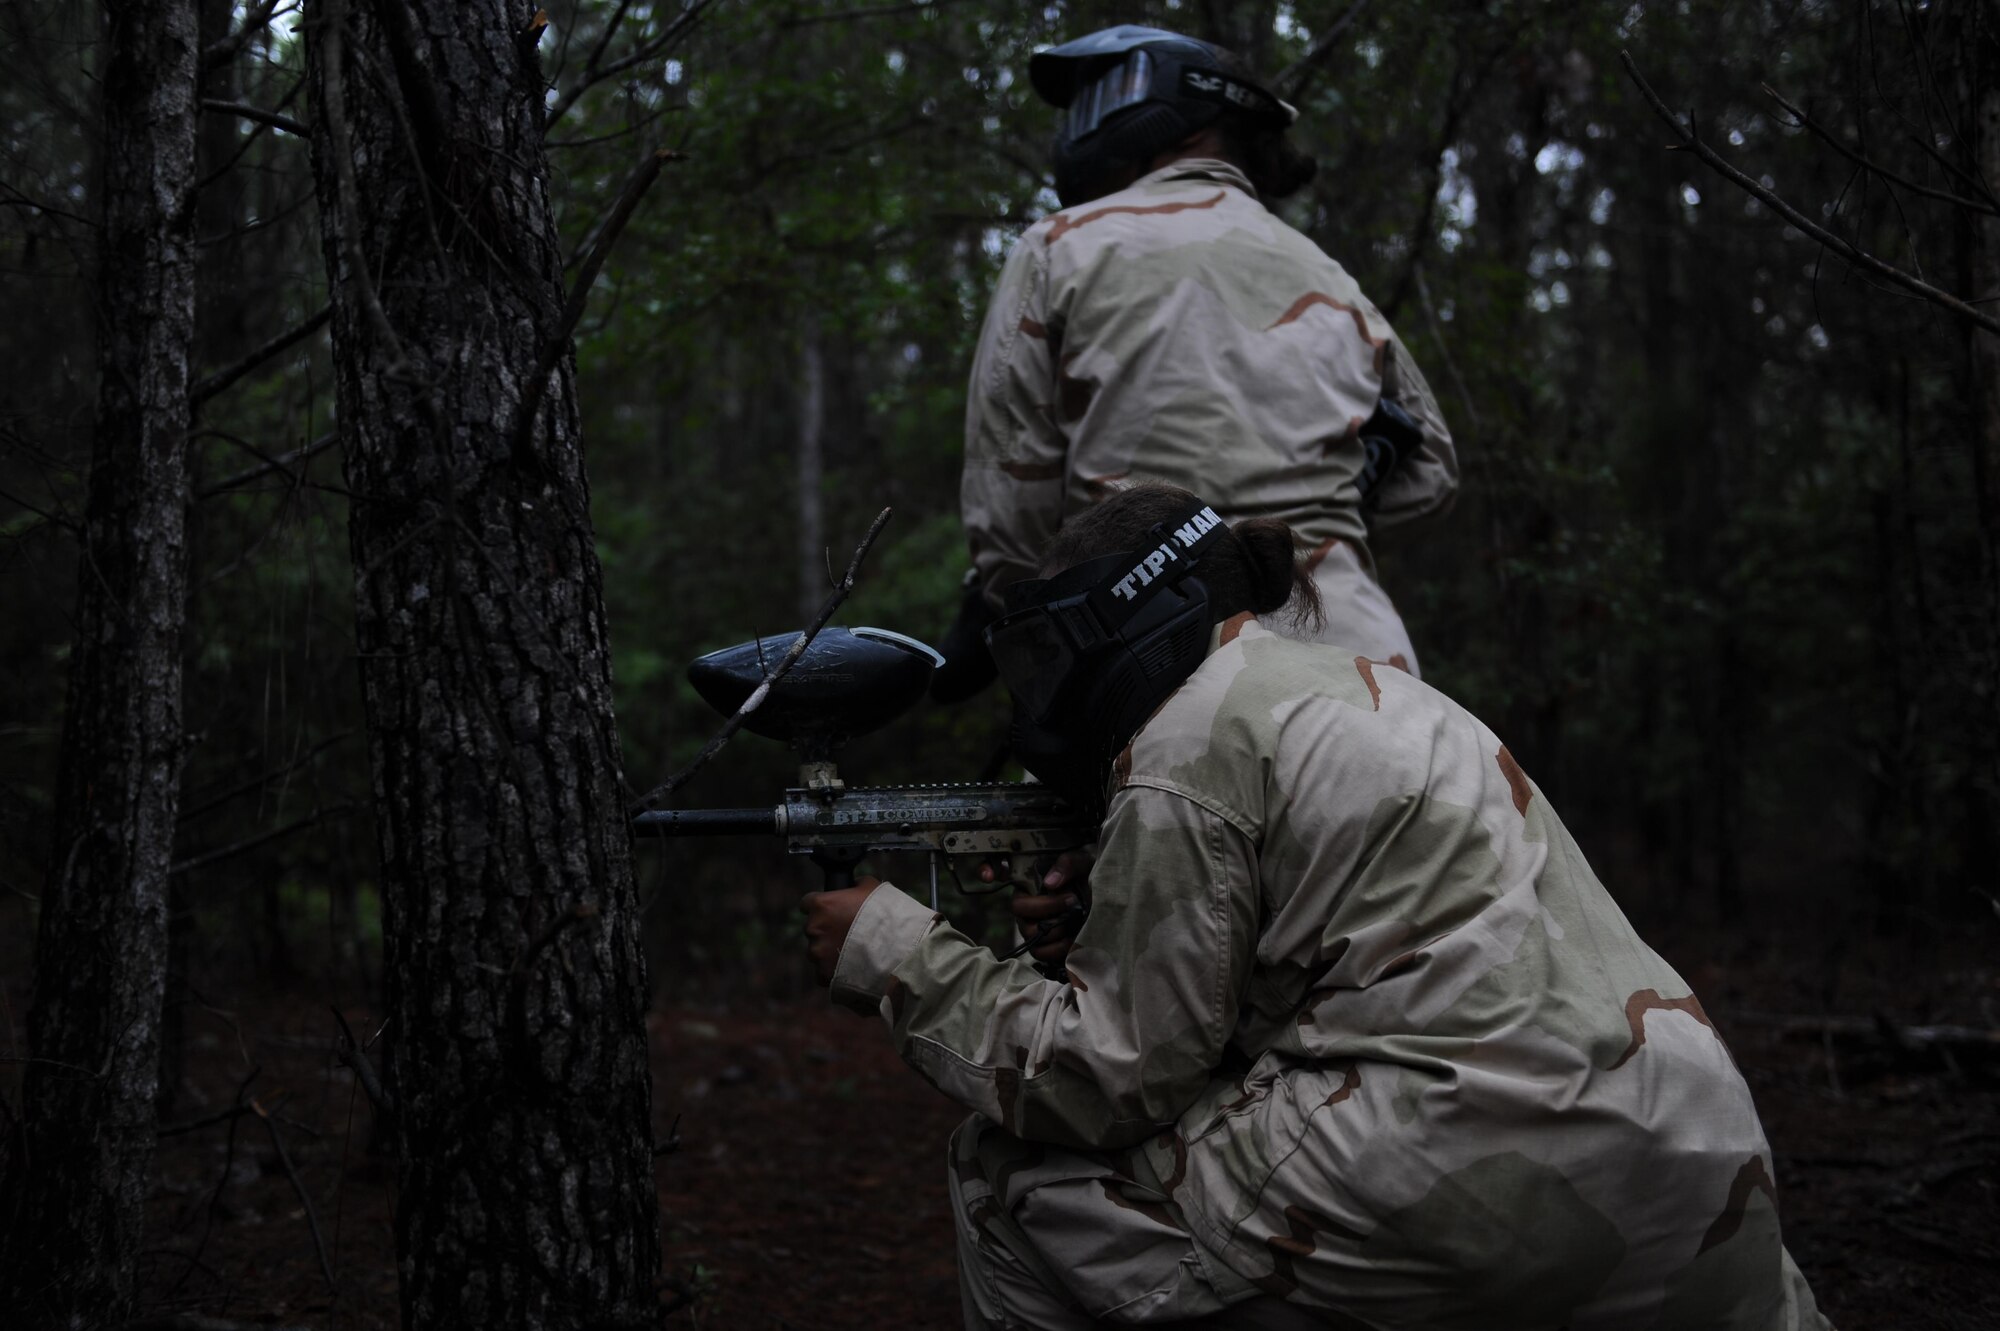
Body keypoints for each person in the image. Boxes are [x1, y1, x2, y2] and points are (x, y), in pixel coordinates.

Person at [804, 484, 1829, 1329]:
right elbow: (1377, 968)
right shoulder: (1365, 686)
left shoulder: (1180, 745)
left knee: (1011, 1180)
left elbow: (1105, 1079)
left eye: (1046, 657)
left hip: (1483, 1173)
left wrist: (893, 949)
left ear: (1115, 624)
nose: (1041, 695)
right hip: (1698, 1156)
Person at [943, 25, 1456, 705]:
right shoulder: (1327, 273)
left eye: (1105, 97)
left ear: (1172, 113)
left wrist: (1009, 601)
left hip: (1154, 663)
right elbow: (1432, 470)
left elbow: (1011, 509)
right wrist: (1314, 515)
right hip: (1368, 676)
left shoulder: (1062, 246)